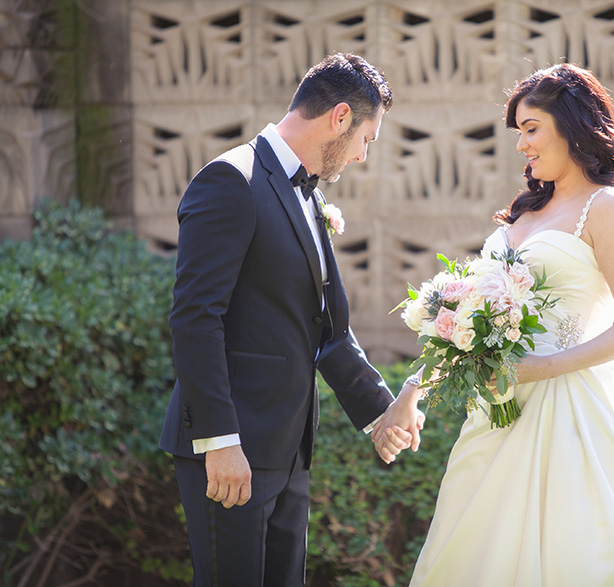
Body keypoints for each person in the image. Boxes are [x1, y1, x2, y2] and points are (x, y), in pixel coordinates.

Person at [398, 63, 614, 585]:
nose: (521, 145)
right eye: (519, 132)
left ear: (570, 125)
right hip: (499, 417)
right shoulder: (522, 217)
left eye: (531, 128)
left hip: (577, 414)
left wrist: (544, 367)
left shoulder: (606, 208)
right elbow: (470, 327)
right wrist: (413, 390)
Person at [159, 53, 422, 587]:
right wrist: (220, 441)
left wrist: (383, 411)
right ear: (341, 117)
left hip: (290, 451)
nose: (364, 156)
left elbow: (326, 332)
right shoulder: (230, 180)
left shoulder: (308, 195)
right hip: (230, 452)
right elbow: (194, 317)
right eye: (367, 139)